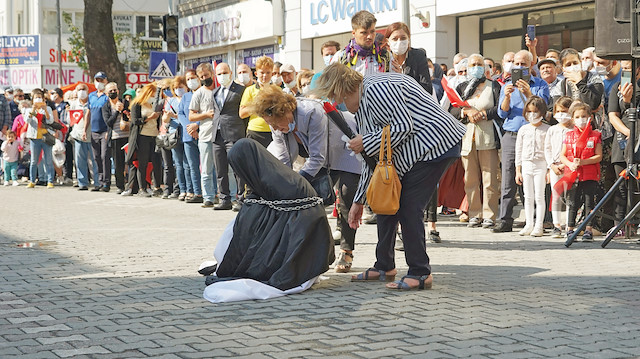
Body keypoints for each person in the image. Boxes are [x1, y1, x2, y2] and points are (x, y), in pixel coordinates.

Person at [315, 63, 465, 290]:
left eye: (337, 98)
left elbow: (404, 126)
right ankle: (384, 265)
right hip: (418, 150)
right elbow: (373, 161)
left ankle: (420, 273)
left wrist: (365, 141)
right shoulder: (364, 102)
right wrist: (359, 200)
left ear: (344, 90)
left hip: (436, 145)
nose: (339, 104)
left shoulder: (376, 89)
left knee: (408, 206)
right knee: (384, 203)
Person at [202, 138, 334, 303]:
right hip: (292, 220)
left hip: (301, 232)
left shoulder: (283, 180)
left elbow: (278, 208)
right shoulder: (266, 171)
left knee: (247, 220)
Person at [493, 50, 550, 233]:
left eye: (523, 64)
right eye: (516, 63)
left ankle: (534, 220)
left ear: (531, 65)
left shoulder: (540, 84)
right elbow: (502, 113)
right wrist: (508, 97)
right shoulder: (506, 85)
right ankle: (505, 219)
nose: (519, 67)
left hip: (534, 133)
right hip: (511, 134)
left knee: (534, 181)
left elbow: (542, 108)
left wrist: (528, 93)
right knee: (508, 178)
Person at [450, 53, 501, 229]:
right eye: (472, 65)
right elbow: (453, 110)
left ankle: (490, 215)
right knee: (470, 180)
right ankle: (474, 214)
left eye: (479, 64)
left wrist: (484, 114)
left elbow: (499, 109)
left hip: (487, 137)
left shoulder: (493, 86)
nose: (476, 67)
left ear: (486, 68)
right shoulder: (463, 87)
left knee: (489, 180)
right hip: (467, 139)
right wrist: (466, 113)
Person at [560, 101, 602, 241]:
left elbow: (598, 156)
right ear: (572, 119)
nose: (581, 119)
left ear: (590, 117)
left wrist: (583, 162)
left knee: (589, 202)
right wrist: (570, 164)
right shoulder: (569, 135)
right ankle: (570, 228)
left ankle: (588, 229)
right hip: (573, 174)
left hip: (590, 174)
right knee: (572, 201)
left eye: (584, 116)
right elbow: (562, 155)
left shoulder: (595, 135)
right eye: (577, 116)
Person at [211, 62, 247, 210]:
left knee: (238, 169)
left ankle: (241, 199)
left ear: (230, 73)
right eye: (219, 74)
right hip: (217, 135)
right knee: (220, 169)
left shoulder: (240, 90)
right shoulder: (215, 92)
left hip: (234, 133)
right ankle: (224, 199)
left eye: (224, 73)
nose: (222, 76)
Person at [606, 61, 635, 237]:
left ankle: (634, 223)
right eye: (623, 68)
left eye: (629, 68)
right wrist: (627, 132)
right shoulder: (617, 86)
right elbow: (613, 115)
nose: (625, 71)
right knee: (621, 186)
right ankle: (619, 225)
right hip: (623, 140)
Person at [515, 96, 550, 237]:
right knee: (527, 196)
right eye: (529, 112)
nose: (532, 115)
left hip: (541, 164)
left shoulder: (548, 129)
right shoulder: (523, 130)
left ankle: (539, 225)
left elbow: (550, 150)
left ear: (542, 113)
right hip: (526, 164)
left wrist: (548, 170)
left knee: (540, 196)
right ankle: (529, 223)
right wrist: (518, 170)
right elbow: (518, 150)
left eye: (535, 112)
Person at [190, 62, 220, 207]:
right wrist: (205, 115)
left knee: (223, 169)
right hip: (206, 135)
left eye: (206, 75)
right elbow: (191, 116)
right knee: (207, 169)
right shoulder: (199, 93)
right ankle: (208, 197)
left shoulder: (221, 89)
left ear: (212, 74)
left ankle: (225, 195)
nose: (204, 78)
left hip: (221, 134)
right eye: (201, 77)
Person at [545, 97, 574, 238]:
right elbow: (547, 148)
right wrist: (551, 165)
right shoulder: (552, 130)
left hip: (569, 166)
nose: (561, 114)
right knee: (555, 196)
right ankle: (556, 225)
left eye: (565, 111)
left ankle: (569, 225)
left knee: (569, 197)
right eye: (559, 111)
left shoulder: (574, 130)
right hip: (554, 167)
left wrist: (565, 164)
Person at [127, 82, 162, 197]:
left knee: (156, 162)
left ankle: (157, 186)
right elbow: (135, 121)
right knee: (143, 163)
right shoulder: (137, 104)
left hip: (154, 135)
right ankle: (142, 188)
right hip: (142, 136)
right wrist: (148, 118)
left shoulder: (153, 104)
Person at [334, 10, 390, 75]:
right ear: (354, 33)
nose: (369, 36)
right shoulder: (340, 57)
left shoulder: (386, 57)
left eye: (372, 31)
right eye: (364, 33)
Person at [385, 22, 433, 95]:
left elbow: (427, 89)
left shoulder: (418, 56)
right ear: (388, 41)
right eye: (395, 39)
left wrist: (403, 78)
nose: (399, 42)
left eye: (403, 38)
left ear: (408, 39)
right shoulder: (384, 59)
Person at [239, 56, 276, 148]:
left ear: (272, 73)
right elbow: (242, 114)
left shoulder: (277, 90)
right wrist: (259, 106)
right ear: (256, 73)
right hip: (255, 131)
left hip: (274, 132)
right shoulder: (249, 90)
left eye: (268, 72)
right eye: (262, 72)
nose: (265, 76)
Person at [69, 83, 99, 191]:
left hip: (92, 135)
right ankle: (82, 182)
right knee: (79, 160)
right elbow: (70, 120)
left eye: (83, 89)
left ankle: (97, 182)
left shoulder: (91, 102)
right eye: (79, 89)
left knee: (94, 160)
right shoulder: (74, 104)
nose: (82, 91)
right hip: (78, 135)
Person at [179, 70, 203, 203]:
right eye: (188, 79)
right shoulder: (185, 97)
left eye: (193, 78)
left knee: (206, 165)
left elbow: (208, 111)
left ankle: (211, 192)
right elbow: (181, 114)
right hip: (188, 135)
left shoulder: (205, 93)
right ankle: (196, 192)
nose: (191, 81)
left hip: (202, 133)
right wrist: (189, 127)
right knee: (192, 166)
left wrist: (196, 125)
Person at [24, 89, 56, 188]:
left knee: (48, 160)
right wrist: (33, 110)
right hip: (34, 137)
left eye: (40, 97)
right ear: (32, 99)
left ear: (43, 99)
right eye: (36, 97)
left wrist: (45, 109)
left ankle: (50, 180)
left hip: (45, 137)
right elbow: (27, 120)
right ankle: (32, 180)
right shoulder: (29, 110)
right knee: (34, 160)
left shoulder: (48, 108)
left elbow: (50, 120)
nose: (38, 99)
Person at [86, 71, 111, 191]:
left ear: (106, 81)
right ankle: (99, 182)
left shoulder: (107, 96)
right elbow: (88, 113)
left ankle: (106, 183)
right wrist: (85, 130)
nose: (99, 83)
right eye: (97, 80)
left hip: (105, 131)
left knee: (104, 156)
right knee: (96, 157)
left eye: (102, 80)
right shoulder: (91, 96)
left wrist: (108, 130)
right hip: (94, 131)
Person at [102, 82, 128, 194]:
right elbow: (109, 122)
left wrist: (123, 110)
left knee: (130, 161)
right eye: (110, 91)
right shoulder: (106, 106)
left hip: (127, 135)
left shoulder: (125, 102)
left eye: (114, 90)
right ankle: (120, 186)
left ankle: (132, 185)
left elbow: (130, 116)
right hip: (115, 137)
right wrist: (117, 111)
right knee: (118, 163)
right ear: (106, 93)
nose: (113, 92)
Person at [50, 87, 72, 185]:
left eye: (54, 93)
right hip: (52, 133)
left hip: (62, 133)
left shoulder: (64, 105)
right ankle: (55, 175)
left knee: (64, 154)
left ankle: (67, 175)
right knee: (53, 154)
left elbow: (64, 121)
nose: (52, 95)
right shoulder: (51, 105)